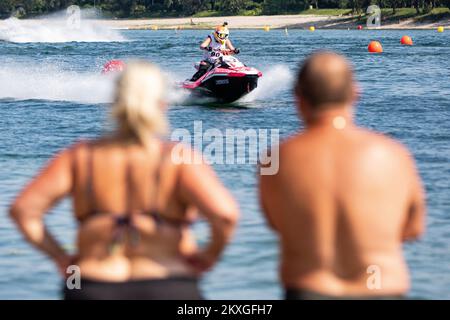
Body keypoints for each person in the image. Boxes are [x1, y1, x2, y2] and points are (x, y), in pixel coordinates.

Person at [9, 61, 239, 300]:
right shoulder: (179, 158)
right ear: (163, 104)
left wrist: (59, 257)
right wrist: (209, 256)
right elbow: (225, 216)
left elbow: (23, 211)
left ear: (115, 101)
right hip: (168, 282)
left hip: (92, 284)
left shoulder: (80, 156)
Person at [259, 51, 426, 300]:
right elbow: (413, 228)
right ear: (355, 93)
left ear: (298, 99)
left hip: (311, 290)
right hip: (381, 290)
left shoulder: (276, 159)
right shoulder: (392, 155)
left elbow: (277, 223)